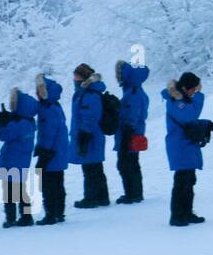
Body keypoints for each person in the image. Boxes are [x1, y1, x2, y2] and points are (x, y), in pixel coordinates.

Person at [162, 72, 207, 226]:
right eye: (193, 89)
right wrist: (200, 95)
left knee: (189, 181)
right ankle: (177, 216)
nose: (195, 92)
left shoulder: (182, 100)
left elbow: (190, 118)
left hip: (185, 146)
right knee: (181, 182)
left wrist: (206, 124)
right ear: (186, 88)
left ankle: (186, 213)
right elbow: (190, 115)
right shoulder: (175, 100)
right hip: (180, 146)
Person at [0, 86, 39, 228]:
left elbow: (2, 135)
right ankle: (25, 216)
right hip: (19, 161)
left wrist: (1, 122)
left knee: (10, 192)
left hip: (11, 161)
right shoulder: (28, 122)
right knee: (20, 190)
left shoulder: (19, 124)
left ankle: (13, 218)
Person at [68, 63, 110, 208]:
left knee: (90, 168)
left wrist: (84, 134)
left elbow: (90, 116)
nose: (74, 79)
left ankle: (91, 198)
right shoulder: (85, 93)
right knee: (95, 167)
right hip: (91, 135)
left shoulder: (89, 94)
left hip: (89, 136)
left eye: (77, 76)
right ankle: (102, 197)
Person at [33, 74, 70, 225]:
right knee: (58, 183)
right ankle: (59, 213)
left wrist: (43, 152)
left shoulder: (47, 109)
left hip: (51, 153)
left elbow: (48, 132)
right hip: (59, 152)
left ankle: (51, 214)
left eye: (39, 90)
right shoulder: (55, 105)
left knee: (48, 185)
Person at [114, 60, 150, 204]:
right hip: (135, 133)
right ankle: (134, 192)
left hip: (131, 134)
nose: (117, 77)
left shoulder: (133, 92)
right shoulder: (134, 90)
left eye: (119, 73)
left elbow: (132, 116)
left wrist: (126, 136)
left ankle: (132, 194)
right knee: (131, 163)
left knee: (126, 164)